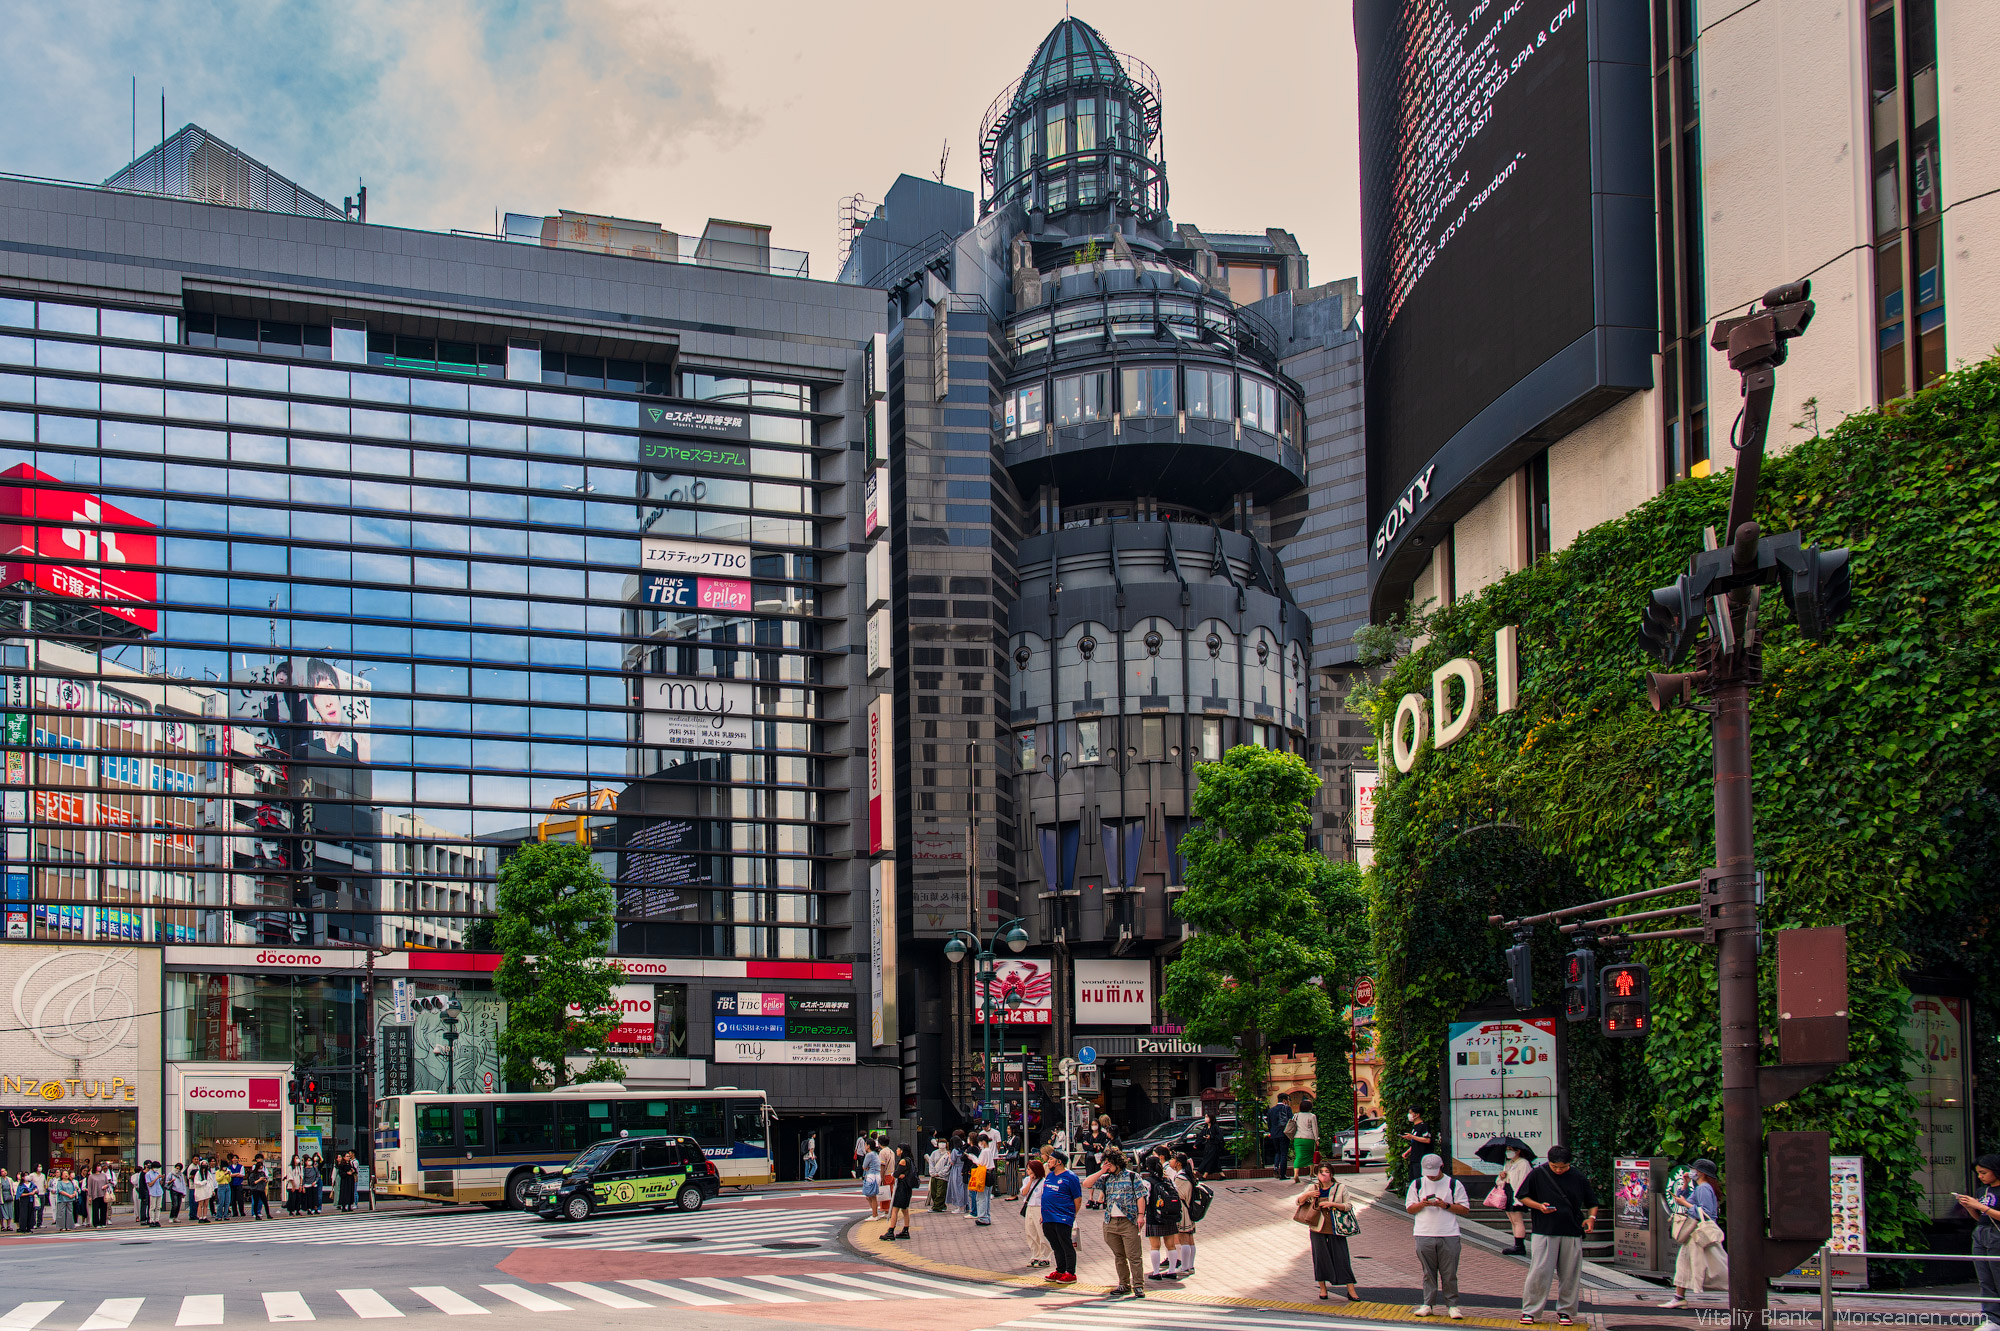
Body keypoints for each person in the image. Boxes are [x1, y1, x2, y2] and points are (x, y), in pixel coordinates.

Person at [1516, 1144, 1598, 1326]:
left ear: (1570, 1163)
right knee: (1539, 1272)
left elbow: (1592, 1202)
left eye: (1563, 1167)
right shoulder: (1539, 1174)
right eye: (1555, 1167)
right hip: (1544, 1230)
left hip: (1572, 1231)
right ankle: (1530, 1311)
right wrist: (1539, 1206)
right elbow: (1522, 1196)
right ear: (1549, 1162)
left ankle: (1565, 1312)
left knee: (1570, 1274)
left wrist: (1591, 1218)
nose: (1559, 1170)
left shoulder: (1577, 1176)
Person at [1406, 1154, 1470, 1318]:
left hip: (1449, 1233)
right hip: (1423, 1232)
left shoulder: (1453, 1184)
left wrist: (1445, 1205)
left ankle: (1452, 1305)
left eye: (1434, 1171)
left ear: (1441, 1167)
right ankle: (1428, 1304)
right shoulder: (1417, 1184)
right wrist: (1422, 1204)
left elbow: (1465, 1209)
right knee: (1428, 1272)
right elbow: (1410, 1208)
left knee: (1449, 1273)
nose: (1431, 1175)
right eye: (1428, 1172)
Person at [1085, 1149, 1150, 1299]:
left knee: (1134, 1255)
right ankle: (1123, 1284)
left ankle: (1138, 1285)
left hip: (1128, 1220)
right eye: (1104, 1162)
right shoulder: (1106, 1178)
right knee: (1119, 1255)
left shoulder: (1133, 1177)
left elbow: (1141, 1197)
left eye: (1109, 1163)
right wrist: (1101, 1171)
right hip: (1111, 1221)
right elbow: (1087, 1183)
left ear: (1117, 1162)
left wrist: (1141, 1216)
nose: (1106, 1166)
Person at [1665, 1158, 1726, 1307]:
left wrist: (1685, 1204)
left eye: (1694, 1170)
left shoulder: (1704, 1188)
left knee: (1715, 1263)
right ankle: (1679, 1298)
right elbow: (1683, 1198)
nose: (1691, 1172)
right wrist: (1685, 1184)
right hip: (1696, 1232)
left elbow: (1705, 1211)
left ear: (1701, 1173)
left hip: (1700, 1232)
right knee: (1685, 1262)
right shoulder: (1700, 1187)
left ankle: (1738, 1284)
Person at [1953, 1154, 2000, 1331]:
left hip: (1997, 1235)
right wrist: (1969, 1207)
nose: (1980, 1176)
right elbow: (1980, 1218)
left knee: (1998, 1274)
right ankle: (1992, 1318)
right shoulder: (1983, 1191)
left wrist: (1981, 1206)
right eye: (1978, 1173)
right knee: (1985, 1277)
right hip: (1982, 1232)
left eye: (1984, 1172)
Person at [1301, 1162, 1361, 1301]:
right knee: (1320, 1257)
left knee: (1342, 1257)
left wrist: (1332, 1204)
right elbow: (1299, 1201)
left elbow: (1348, 1206)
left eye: (1326, 1171)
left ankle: (1351, 1289)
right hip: (1317, 1226)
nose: (1323, 1174)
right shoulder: (1313, 1187)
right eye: (1320, 1171)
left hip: (1336, 1227)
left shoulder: (1340, 1188)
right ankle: (1323, 1289)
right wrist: (1309, 1194)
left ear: (1332, 1174)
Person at [1038, 1151, 1083, 1284]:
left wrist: (1072, 1214)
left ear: (1059, 1162)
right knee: (1055, 1244)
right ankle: (1060, 1269)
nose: (1048, 1162)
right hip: (1048, 1217)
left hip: (1063, 1217)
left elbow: (1078, 1199)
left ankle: (1070, 1272)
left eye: (1051, 1159)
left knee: (1065, 1244)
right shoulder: (1050, 1176)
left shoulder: (1070, 1177)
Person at [1141, 1155, 1183, 1282]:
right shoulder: (1168, 1180)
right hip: (1169, 1215)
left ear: (1148, 1167)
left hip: (1154, 1215)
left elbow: (1145, 1198)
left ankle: (1156, 1272)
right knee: (1170, 1245)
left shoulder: (1148, 1181)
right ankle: (1171, 1271)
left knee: (1155, 1246)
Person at [1171, 1152, 1202, 1277]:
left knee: (1183, 1238)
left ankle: (1184, 1266)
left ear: (1178, 1163)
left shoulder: (1180, 1178)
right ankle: (1190, 1265)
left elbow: (1177, 1195)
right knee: (1190, 1239)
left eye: (1173, 1159)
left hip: (1182, 1210)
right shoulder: (1188, 1175)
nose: (1171, 1161)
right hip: (1188, 1209)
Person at [1500, 1146, 1534, 1255]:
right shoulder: (1509, 1163)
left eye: (1511, 1149)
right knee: (1512, 1220)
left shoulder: (1523, 1163)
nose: (1508, 1152)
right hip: (1508, 1191)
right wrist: (1502, 1176)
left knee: (1517, 1220)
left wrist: (1519, 1197)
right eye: (1507, 1149)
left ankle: (1520, 1245)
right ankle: (1516, 1243)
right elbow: (1502, 1180)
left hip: (1517, 1193)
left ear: (1518, 1151)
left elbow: (1524, 1180)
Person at [1021, 1157, 1053, 1268]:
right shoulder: (1026, 1180)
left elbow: (1046, 1198)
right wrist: (1030, 1180)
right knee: (1030, 1232)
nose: (1028, 1171)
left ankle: (1045, 1257)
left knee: (1041, 1233)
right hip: (1029, 1207)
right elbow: (1024, 1193)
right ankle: (1035, 1255)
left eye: (1030, 1169)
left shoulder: (1044, 1182)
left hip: (1039, 1208)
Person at [883, 1144, 915, 1240]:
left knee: (895, 1209)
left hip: (901, 1187)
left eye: (898, 1149)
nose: (896, 1150)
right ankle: (905, 1230)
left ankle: (891, 1231)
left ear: (902, 1150)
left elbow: (896, 1174)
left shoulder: (903, 1161)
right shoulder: (910, 1160)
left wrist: (897, 1174)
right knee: (904, 1209)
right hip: (907, 1187)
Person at [970, 1130, 997, 1225]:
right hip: (990, 1174)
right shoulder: (989, 1151)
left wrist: (973, 1158)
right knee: (986, 1197)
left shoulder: (985, 1151)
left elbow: (980, 1163)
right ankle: (986, 1216)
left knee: (981, 1197)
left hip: (984, 1174)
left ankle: (982, 1217)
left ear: (983, 1142)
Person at [1290, 1097, 1321, 1180]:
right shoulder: (1312, 1116)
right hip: (1308, 1138)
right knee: (1311, 1155)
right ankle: (1311, 1173)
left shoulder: (1296, 1115)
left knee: (1299, 1156)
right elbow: (1315, 1129)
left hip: (1298, 1138)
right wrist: (1316, 1139)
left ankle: (1296, 1174)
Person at [1267, 1096, 1295, 1180]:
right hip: (1284, 1133)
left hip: (1274, 1134)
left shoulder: (1271, 1110)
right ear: (1284, 1100)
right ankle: (1283, 1174)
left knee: (1277, 1152)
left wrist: (1271, 1132)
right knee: (1284, 1153)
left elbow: (1269, 1123)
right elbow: (1291, 1120)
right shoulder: (1287, 1108)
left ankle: (1275, 1168)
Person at [1402, 1109, 1437, 1174]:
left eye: (1411, 1113)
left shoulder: (1424, 1126)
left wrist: (1412, 1136)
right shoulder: (1415, 1128)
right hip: (1414, 1158)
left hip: (1422, 1159)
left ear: (1417, 1115)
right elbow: (1415, 1142)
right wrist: (1407, 1152)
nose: (1409, 1115)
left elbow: (1427, 1140)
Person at [861, 1132, 885, 1220]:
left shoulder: (869, 1155)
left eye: (865, 1144)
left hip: (871, 1177)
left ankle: (875, 1215)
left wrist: (866, 1168)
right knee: (870, 1196)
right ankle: (875, 1213)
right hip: (876, 1176)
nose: (864, 1146)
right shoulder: (875, 1154)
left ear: (868, 1146)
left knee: (871, 1196)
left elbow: (864, 1166)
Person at [926, 1137, 951, 1212]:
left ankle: (937, 1207)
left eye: (943, 1143)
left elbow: (948, 1166)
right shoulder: (934, 1153)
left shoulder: (948, 1154)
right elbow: (931, 1163)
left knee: (941, 1192)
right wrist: (933, 1173)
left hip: (942, 1177)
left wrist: (940, 1173)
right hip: (934, 1175)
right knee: (933, 1191)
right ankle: (941, 1206)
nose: (942, 1144)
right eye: (940, 1142)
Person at [86, 1161, 110, 1227]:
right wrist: (90, 1196)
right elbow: (89, 1186)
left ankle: (103, 1222)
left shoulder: (103, 1175)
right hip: (95, 1194)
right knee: (95, 1210)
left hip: (103, 1194)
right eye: (98, 1166)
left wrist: (106, 1186)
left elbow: (107, 1183)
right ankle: (96, 1223)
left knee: (104, 1209)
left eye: (99, 1166)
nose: (99, 1167)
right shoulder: (91, 1176)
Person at [247, 1156, 271, 1220]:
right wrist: (259, 1180)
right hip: (255, 1189)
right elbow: (252, 1182)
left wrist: (265, 1180)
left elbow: (266, 1179)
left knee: (265, 1202)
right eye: (260, 1167)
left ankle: (268, 1214)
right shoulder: (253, 1174)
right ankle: (256, 1214)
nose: (261, 1169)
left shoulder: (262, 1173)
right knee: (256, 1202)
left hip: (261, 1189)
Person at [212, 1156, 232, 1221]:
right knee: (221, 1202)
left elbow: (229, 1180)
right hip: (221, 1186)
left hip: (227, 1186)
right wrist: (224, 1174)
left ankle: (226, 1215)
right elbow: (218, 1179)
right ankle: (219, 1215)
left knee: (227, 1202)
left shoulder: (228, 1171)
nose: (225, 1168)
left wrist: (228, 1175)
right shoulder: (218, 1171)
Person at [145, 1160, 164, 1227]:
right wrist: (156, 1178)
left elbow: (160, 1183)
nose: (157, 1169)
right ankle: (151, 1220)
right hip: (152, 1192)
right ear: (152, 1167)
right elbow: (149, 1184)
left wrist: (161, 1179)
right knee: (152, 1207)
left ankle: (157, 1220)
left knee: (158, 1207)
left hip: (159, 1191)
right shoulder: (148, 1174)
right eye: (156, 1168)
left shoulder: (157, 1173)